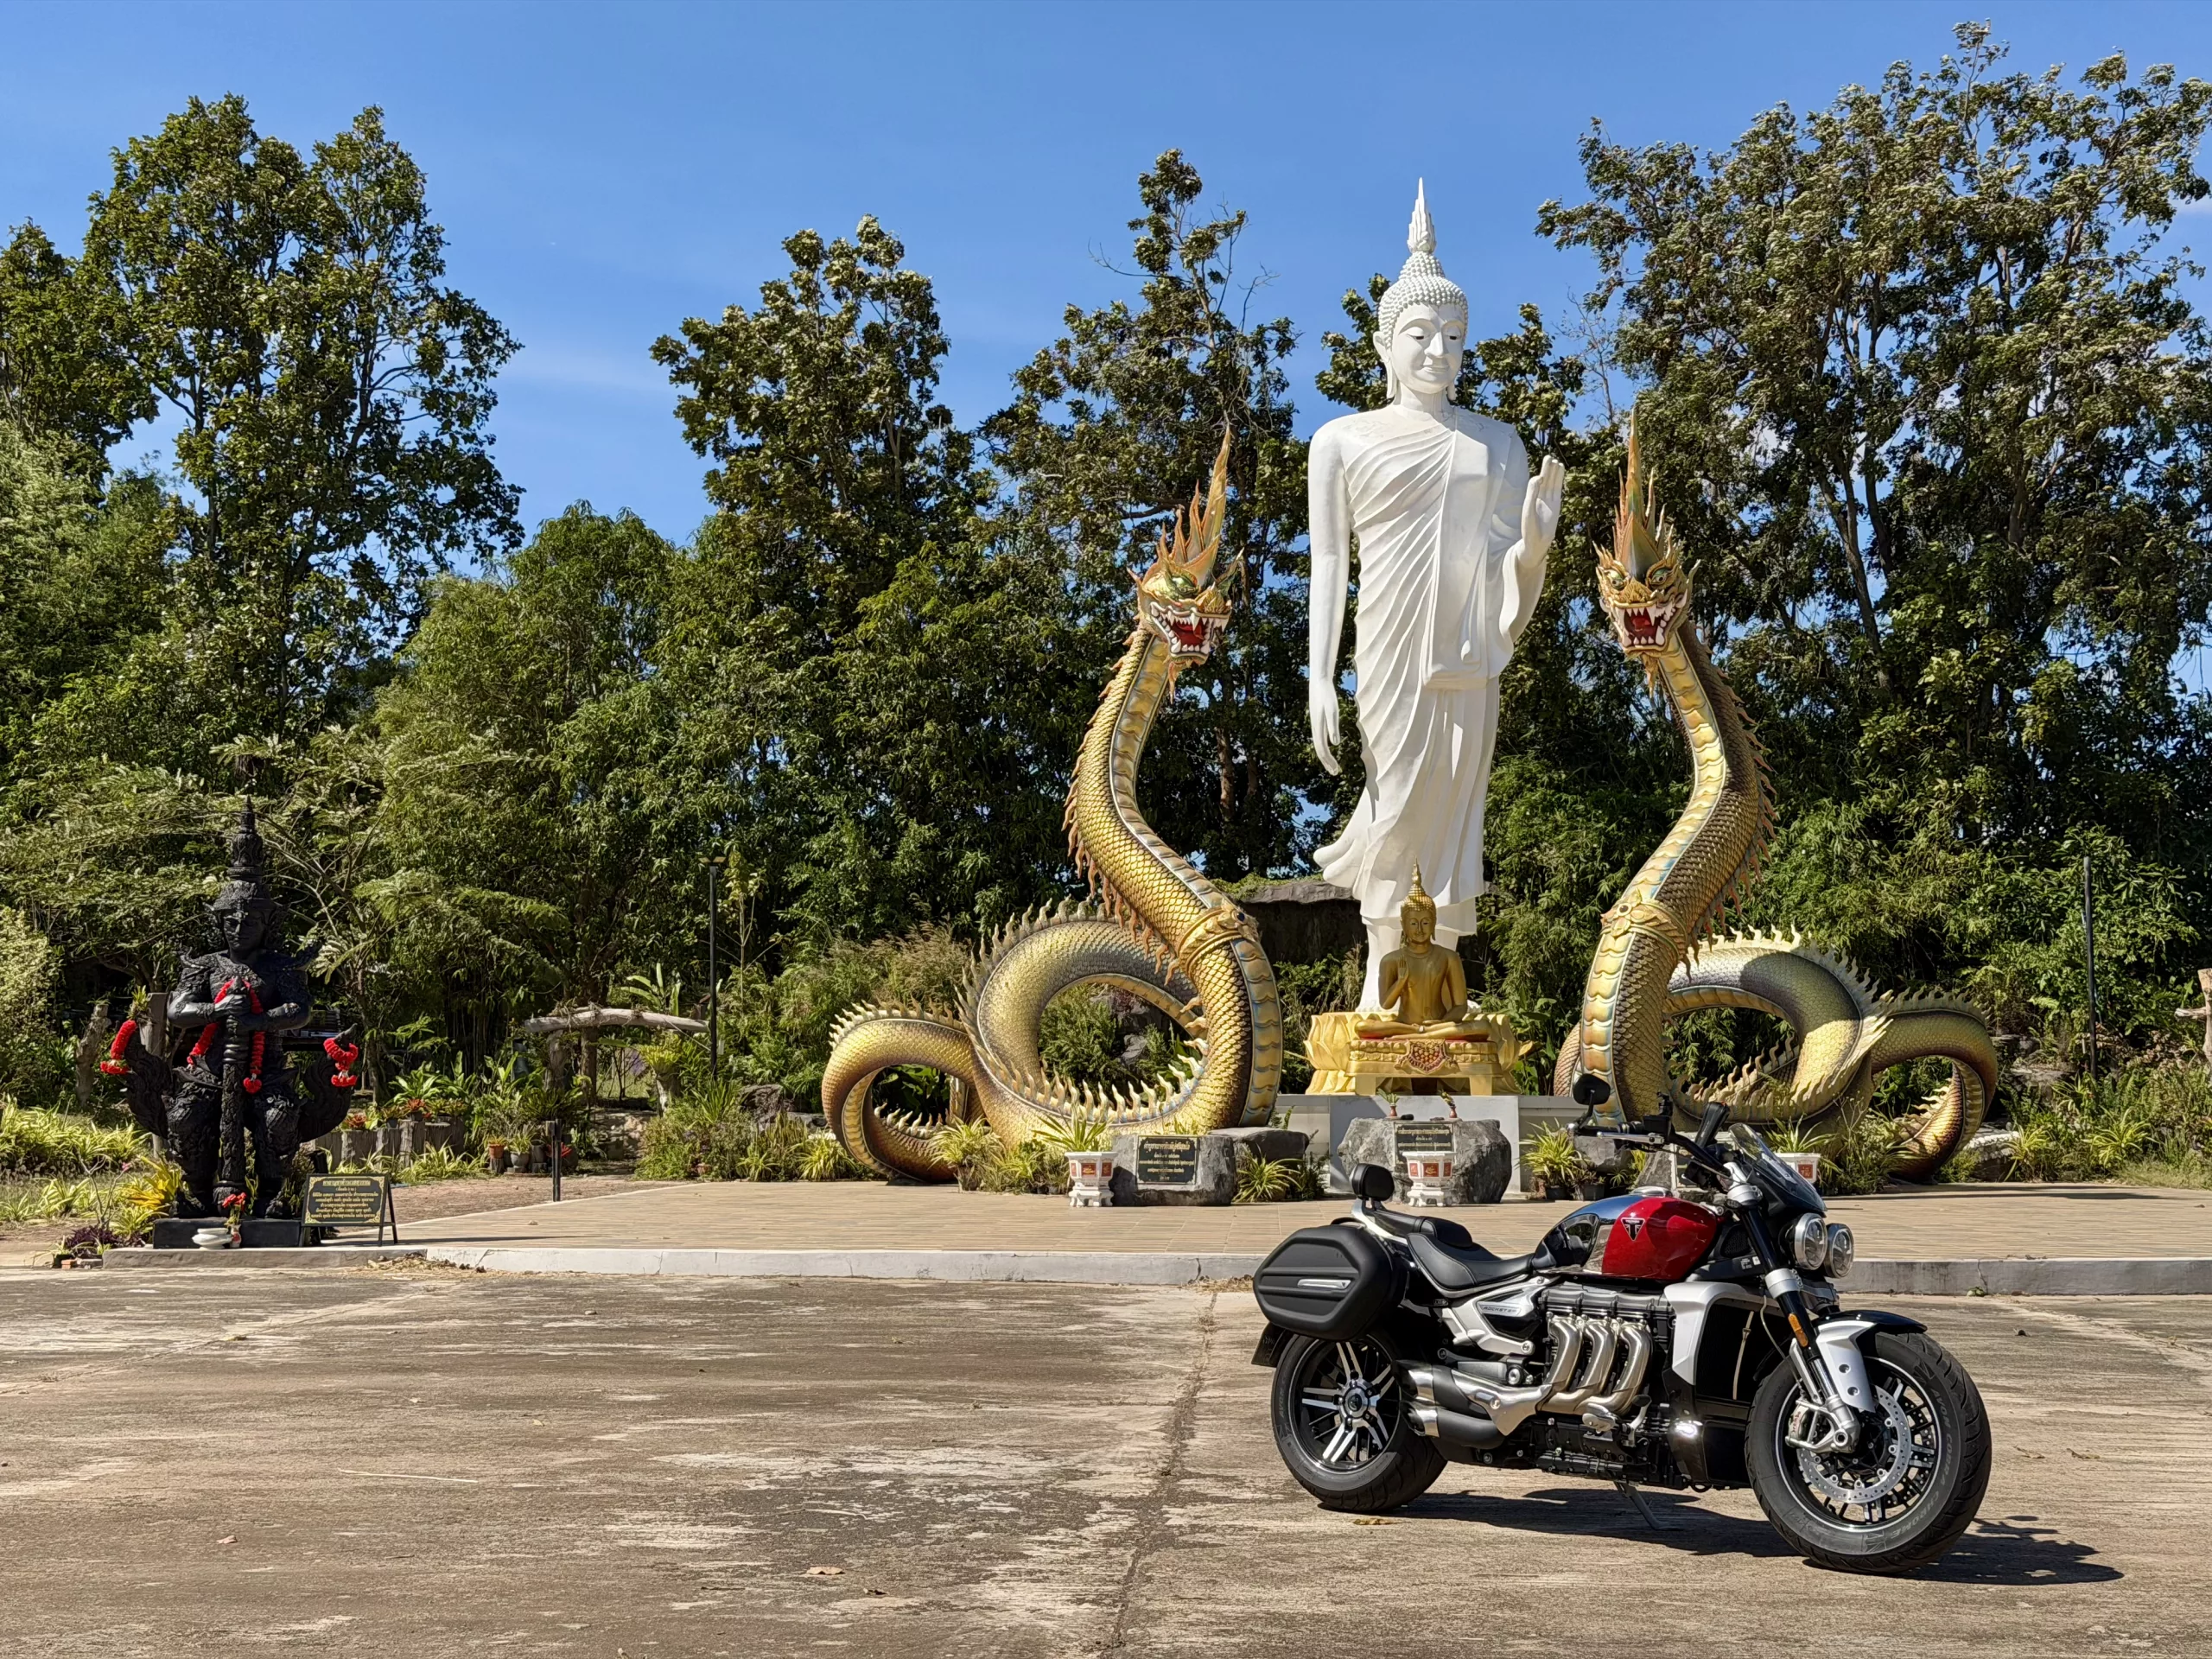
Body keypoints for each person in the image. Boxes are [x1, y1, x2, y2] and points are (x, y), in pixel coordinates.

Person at [1307, 182, 1565, 1009]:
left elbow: (1506, 560)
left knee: (1457, 809)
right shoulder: (1341, 441)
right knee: (1398, 803)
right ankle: (1385, 995)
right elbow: (1329, 564)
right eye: (1419, 335)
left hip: (1465, 653)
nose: (1437, 353)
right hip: (1386, 649)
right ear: (1384, 343)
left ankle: (1444, 997)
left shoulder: (1496, 443)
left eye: (1453, 338)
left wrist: (1534, 545)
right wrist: (1318, 676)